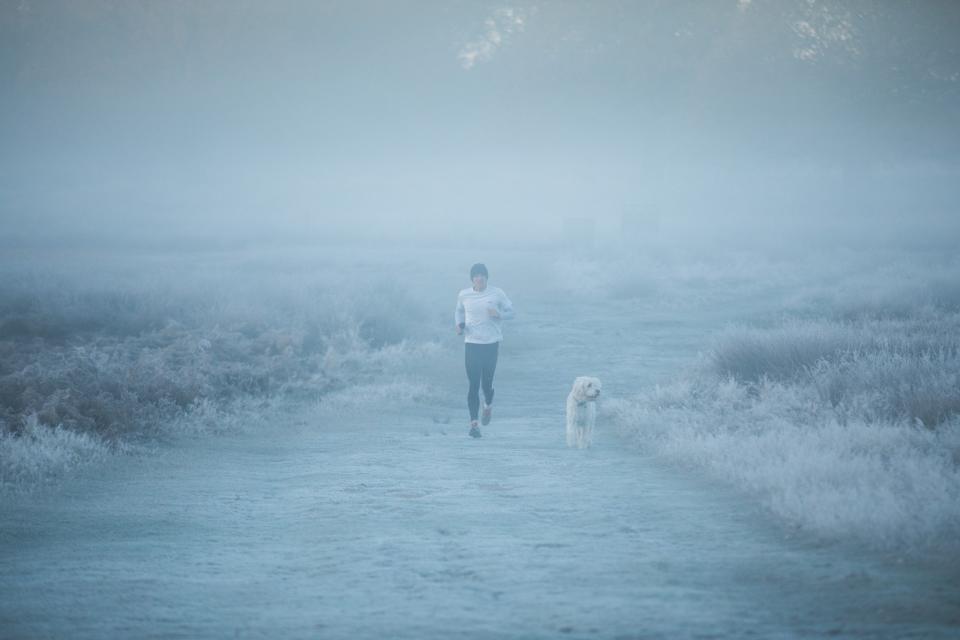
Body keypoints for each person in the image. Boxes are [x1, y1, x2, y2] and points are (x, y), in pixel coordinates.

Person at [454, 263, 514, 438]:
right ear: (472, 279)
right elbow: (458, 311)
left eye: (482, 276)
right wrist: (458, 326)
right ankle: (474, 424)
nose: (479, 278)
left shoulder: (497, 293)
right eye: (476, 276)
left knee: (486, 385)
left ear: (487, 278)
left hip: (491, 344)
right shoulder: (464, 294)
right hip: (472, 344)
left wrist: (499, 314)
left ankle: (487, 406)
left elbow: (512, 312)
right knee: (473, 385)